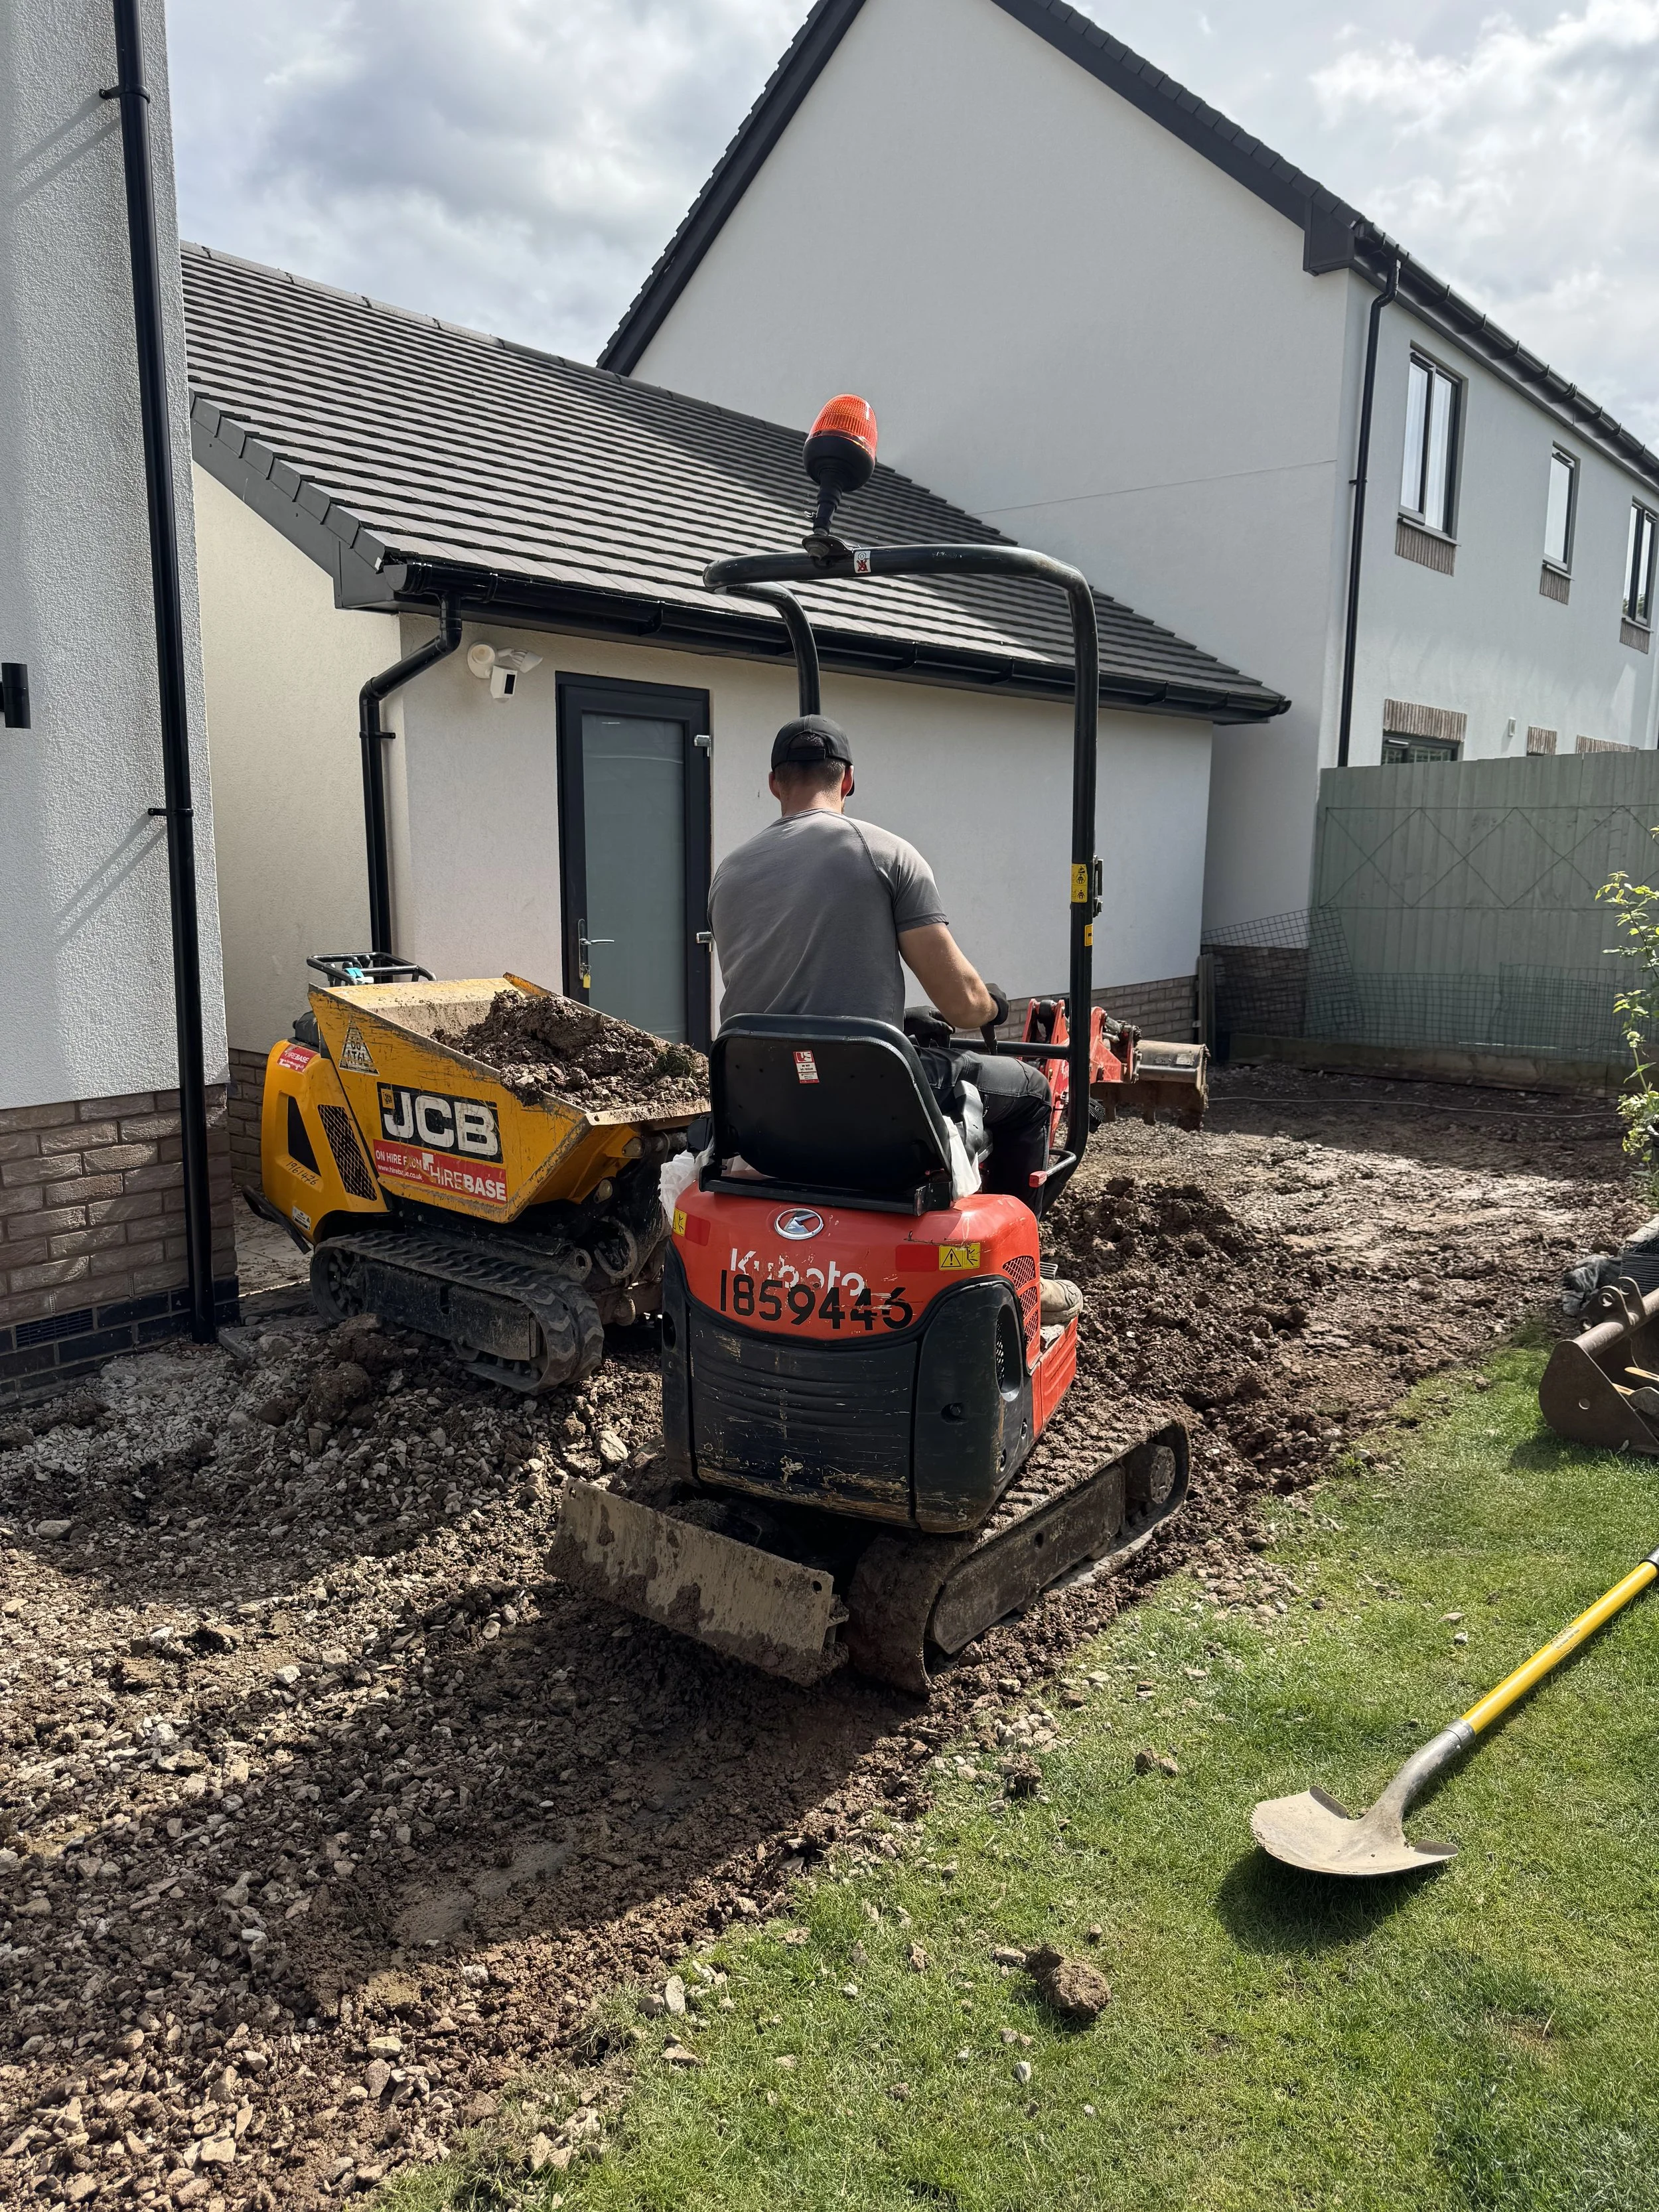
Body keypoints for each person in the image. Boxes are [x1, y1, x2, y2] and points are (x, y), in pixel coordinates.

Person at [707, 713, 1083, 1323]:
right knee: (1034, 1092)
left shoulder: (729, 874)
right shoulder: (884, 854)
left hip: (768, 1112)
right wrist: (991, 1003)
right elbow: (960, 1002)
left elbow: (787, 992)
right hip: (865, 1106)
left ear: (775, 783)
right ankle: (1022, 1280)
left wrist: (900, 1017)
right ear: (849, 780)